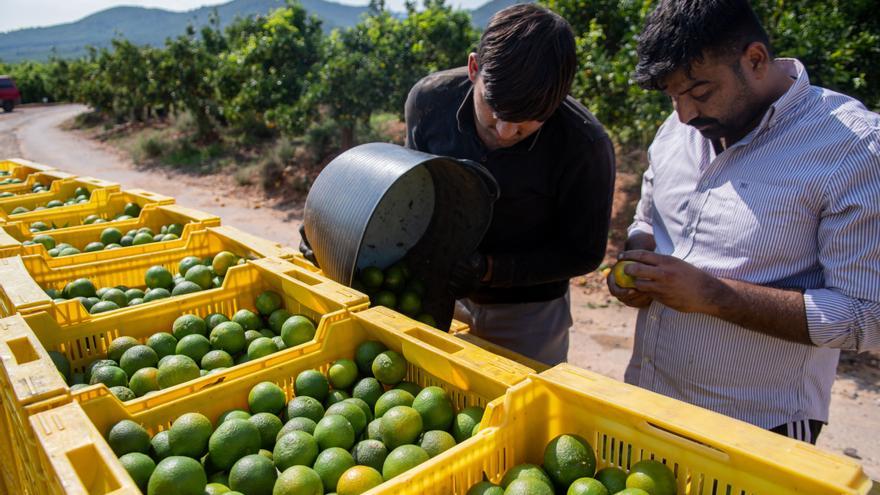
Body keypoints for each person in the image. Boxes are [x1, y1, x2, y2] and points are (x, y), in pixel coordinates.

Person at [608, 0, 880, 443]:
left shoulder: (852, 149)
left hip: (755, 428)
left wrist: (714, 295)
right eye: (673, 96)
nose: (684, 114)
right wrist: (637, 265)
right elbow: (648, 219)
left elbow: (868, 316)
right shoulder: (678, 128)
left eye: (699, 93)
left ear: (754, 60)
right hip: (649, 398)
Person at [404, 4, 615, 365]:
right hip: (442, 293)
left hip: (528, 314)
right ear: (474, 69)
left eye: (526, 124)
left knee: (523, 406)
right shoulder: (430, 102)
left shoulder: (584, 145)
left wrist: (489, 269)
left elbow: (584, 252)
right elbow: (412, 191)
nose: (504, 132)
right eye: (494, 110)